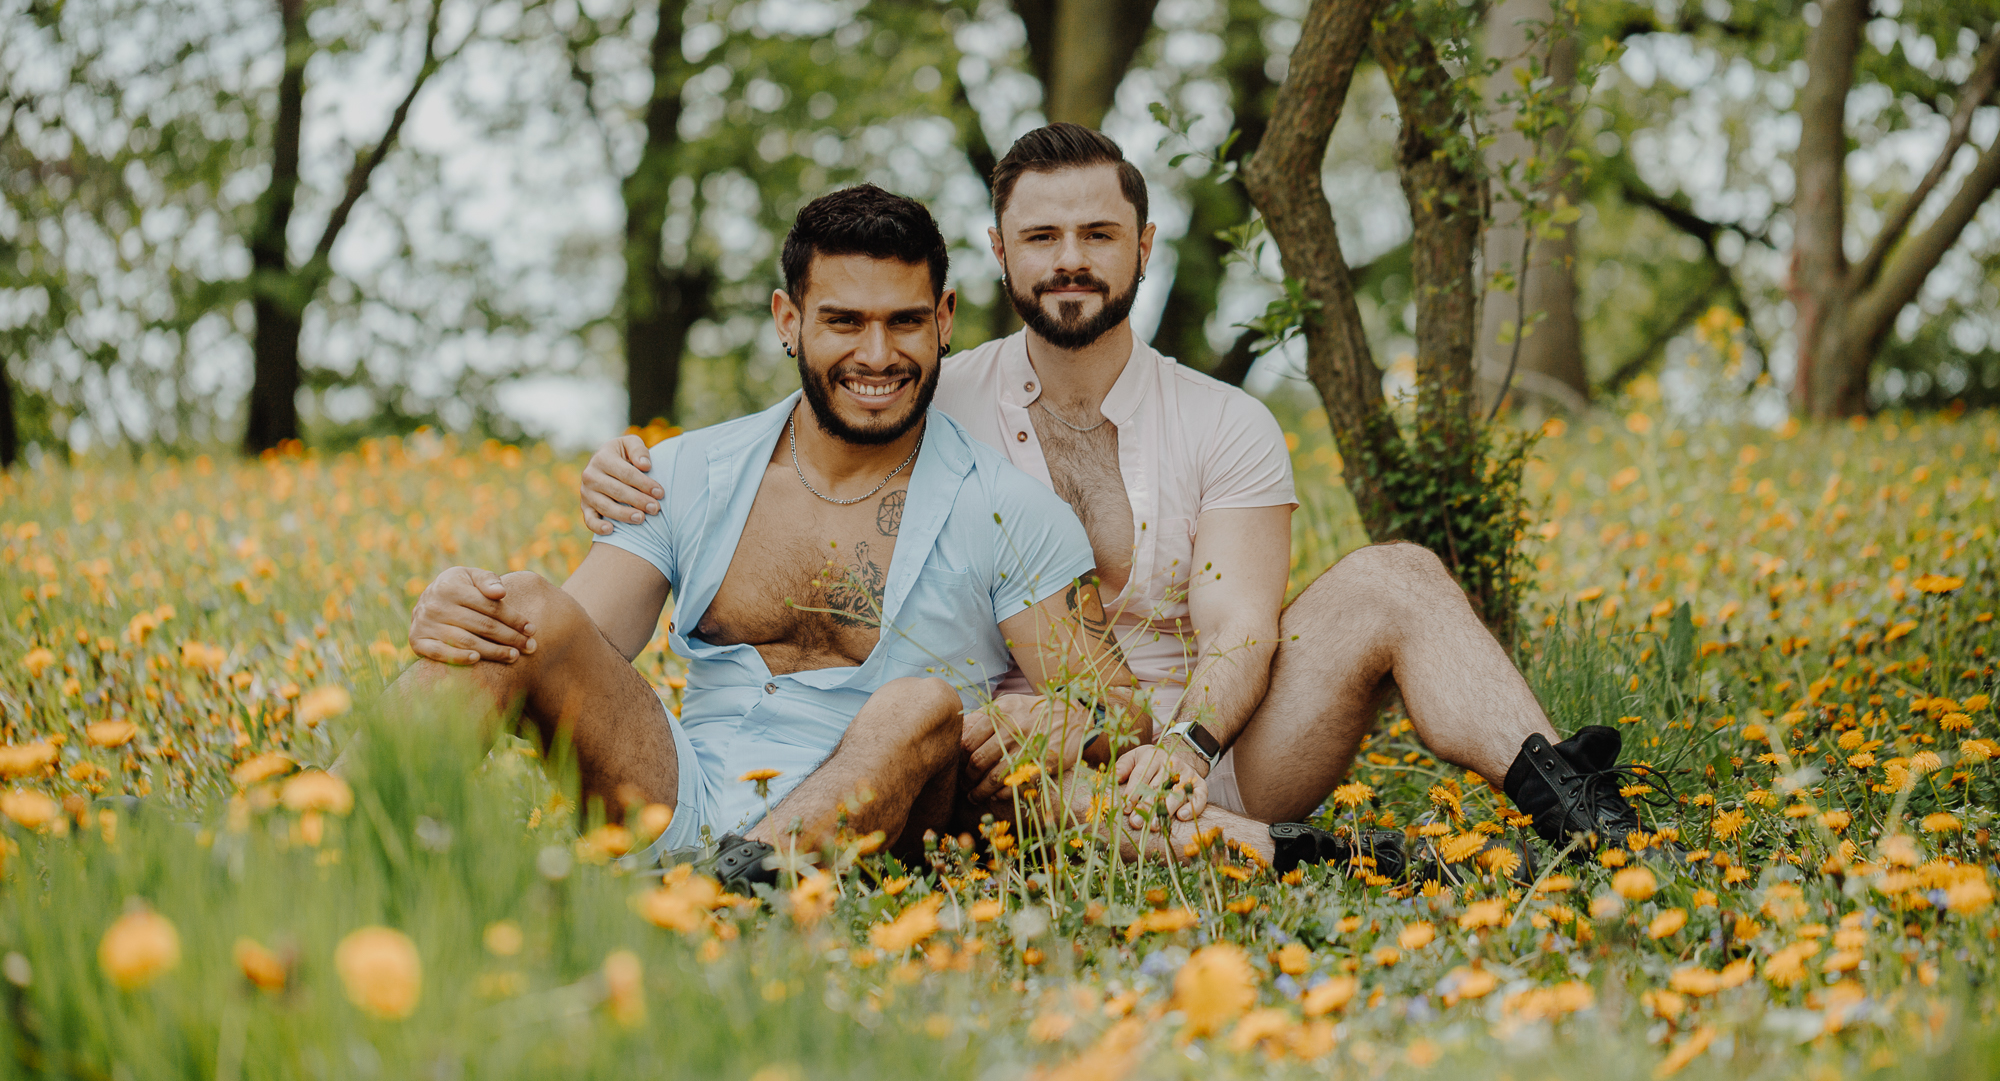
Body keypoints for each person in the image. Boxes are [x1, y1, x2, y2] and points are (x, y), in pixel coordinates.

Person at [578, 127, 1651, 877]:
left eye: (1098, 234)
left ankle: (1571, 803)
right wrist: (627, 472)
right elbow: (808, 420)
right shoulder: (921, 381)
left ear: (1143, 246)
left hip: (1219, 744)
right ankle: (1278, 859)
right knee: (986, 744)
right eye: (1041, 238)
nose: (1070, 261)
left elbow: (1237, 630)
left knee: (1396, 574)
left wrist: (1181, 747)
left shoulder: (1222, 421)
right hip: (1019, 763)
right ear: (999, 258)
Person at [391, 184, 1151, 890]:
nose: (878, 355)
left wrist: (1070, 717)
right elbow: (567, 638)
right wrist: (462, 611)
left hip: (872, 830)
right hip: (675, 789)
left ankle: (733, 894)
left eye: (905, 321)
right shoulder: (686, 470)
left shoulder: (1009, 509)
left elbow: (1125, 711)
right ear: (790, 321)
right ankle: (330, 840)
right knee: (517, 605)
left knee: (919, 703)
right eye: (845, 322)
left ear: (944, 319)